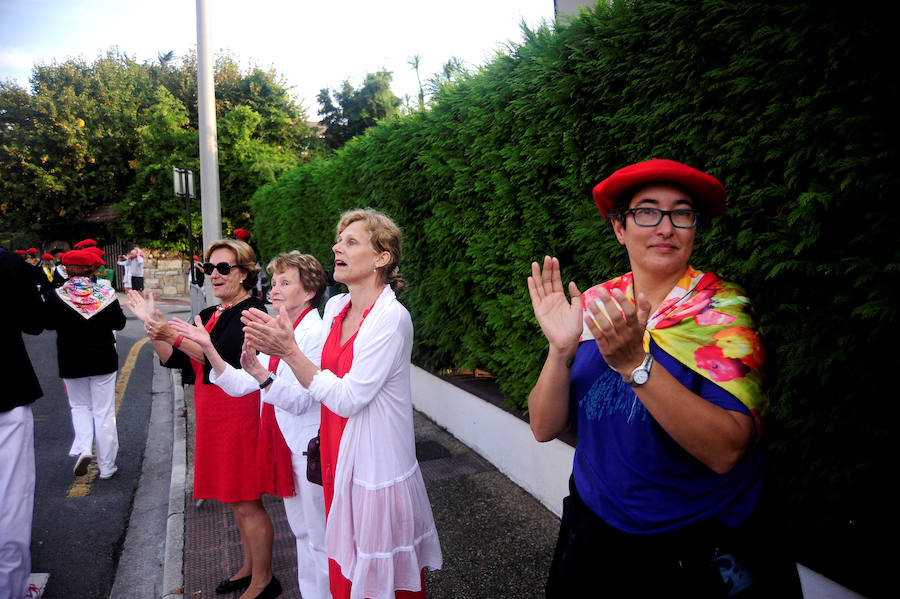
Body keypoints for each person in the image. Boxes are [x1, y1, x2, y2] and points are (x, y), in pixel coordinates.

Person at [527, 159, 800, 597]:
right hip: (595, 530)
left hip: (692, 547)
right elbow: (543, 426)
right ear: (620, 228)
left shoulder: (722, 315)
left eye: (682, 213)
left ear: (694, 227)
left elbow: (727, 450)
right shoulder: (599, 306)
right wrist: (560, 351)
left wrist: (638, 365)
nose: (666, 227)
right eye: (647, 211)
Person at [242, 209, 442, 599]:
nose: (337, 246)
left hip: (374, 465)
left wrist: (288, 351)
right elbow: (317, 381)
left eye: (351, 241)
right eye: (339, 239)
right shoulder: (335, 309)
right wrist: (287, 350)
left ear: (382, 258)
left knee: (376, 580)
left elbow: (349, 398)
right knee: (341, 567)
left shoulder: (391, 319)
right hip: (335, 453)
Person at [126, 239, 279, 599]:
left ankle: (264, 580)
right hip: (213, 416)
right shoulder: (213, 312)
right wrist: (153, 326)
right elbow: (176, 361)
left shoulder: (252, 313)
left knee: (247, 500)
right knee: (233, 499)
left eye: (224, 268)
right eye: (210, 268)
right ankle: (249, 566)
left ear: (244, 273)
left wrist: (172, 333)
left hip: (240, 415)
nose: (214, 274)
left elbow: (221, 360)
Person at [173, 251, 331, 599]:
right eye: (274, 282)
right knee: (303, 534)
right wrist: (210, 350)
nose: (274, 289)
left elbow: (303, 399)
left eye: (285, 282)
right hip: (289, 446)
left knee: (321, 541)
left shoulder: (314, 333)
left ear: (309, 291)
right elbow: (243, 381)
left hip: (310, 449)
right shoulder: (279, 328)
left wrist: (263, 376)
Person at [44, 249, 125, 479]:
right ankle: (107, 466)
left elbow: (47, 324)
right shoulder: (106, 293)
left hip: (70, 360)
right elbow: (119, 324)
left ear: (66, 269)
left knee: (79, 407)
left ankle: (83, 448)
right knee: (104, 411)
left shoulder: (54, 295)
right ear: (93, 269)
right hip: (103, 358)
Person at [0, 247, 44, 599]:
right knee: (11, 502)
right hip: (5, 391)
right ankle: (11, 589)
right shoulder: (9, 264)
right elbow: (34, 321)